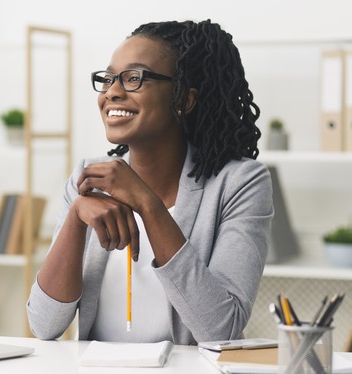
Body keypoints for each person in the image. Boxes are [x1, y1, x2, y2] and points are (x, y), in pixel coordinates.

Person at [26, 19, 273, 345]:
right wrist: (75, 217)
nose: (112, 92)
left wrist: (147, 204)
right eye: (109, 79)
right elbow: (43, 325)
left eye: (134, 78)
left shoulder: (240, 183)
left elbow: (221, 331)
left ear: (184, 98)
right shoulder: (89, 178)